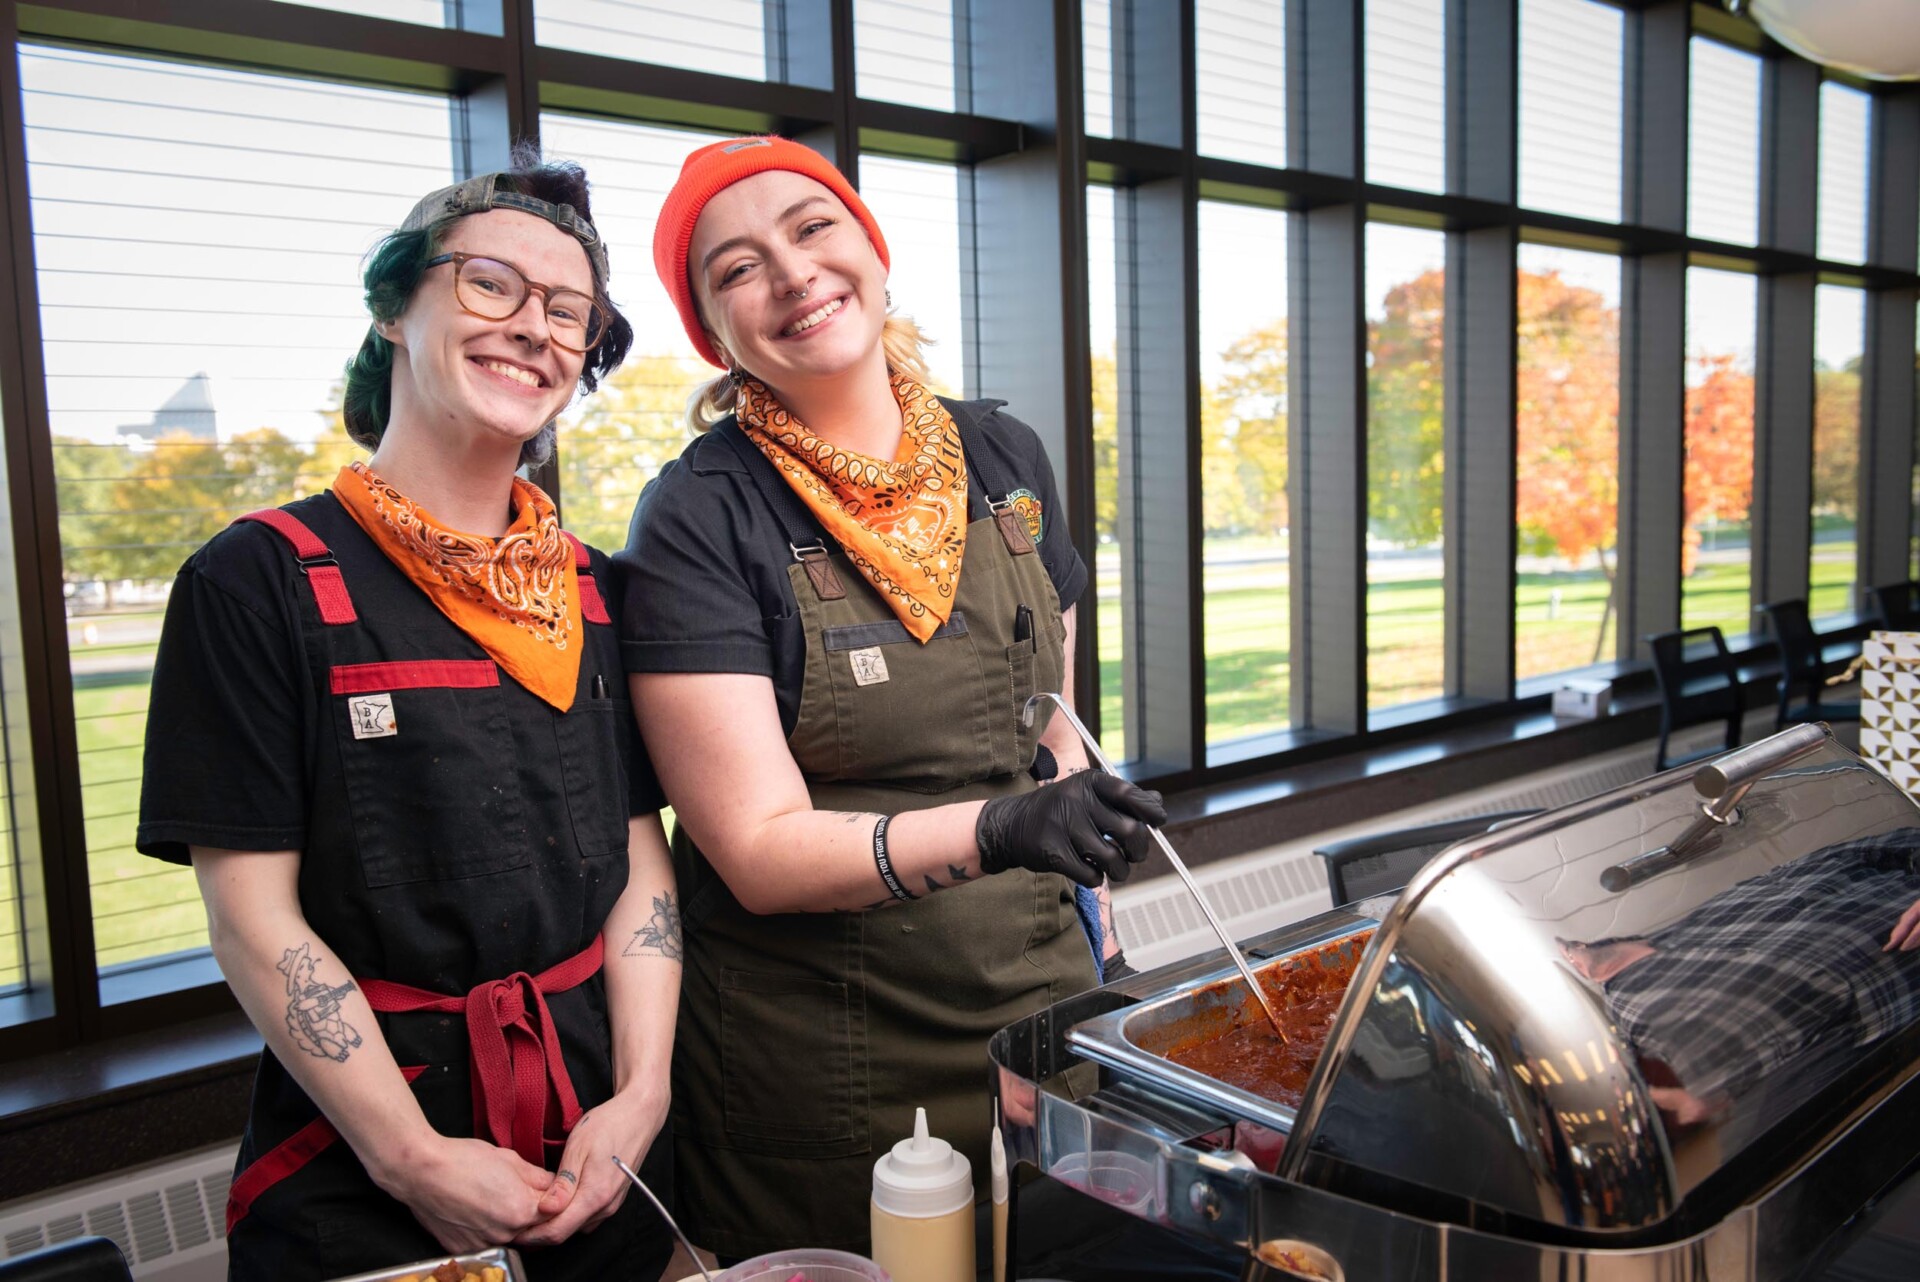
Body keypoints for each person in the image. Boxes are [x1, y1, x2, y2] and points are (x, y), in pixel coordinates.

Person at [618, 134, 1166, 1261]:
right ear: (713, 334)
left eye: (813, 229)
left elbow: (1047, 720)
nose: (791, 273)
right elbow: (759, 852)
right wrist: (1005, 826)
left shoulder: (1003, 453)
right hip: (828, 1055)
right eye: (736, 269)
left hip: (1040, 1005)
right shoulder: (699, 518)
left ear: (869, 246)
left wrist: (1091, 858)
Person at [135, 151, 679, 1282]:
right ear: (393, 307)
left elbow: (639, 862)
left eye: (569, 311)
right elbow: (252, 918)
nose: (535, 327)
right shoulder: (259, 581)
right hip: (365, 1170)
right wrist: (410, 1156)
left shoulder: (593, 589)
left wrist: (642, 1095)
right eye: (491, 285)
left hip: (597, 1151)